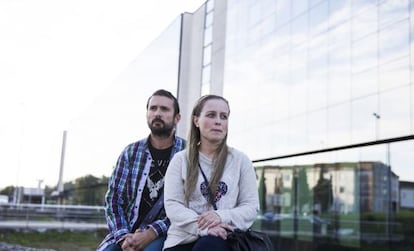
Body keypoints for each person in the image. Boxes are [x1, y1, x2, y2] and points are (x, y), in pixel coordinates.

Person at [163, 94, 259, 251]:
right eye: (211, 115)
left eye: (224, 116)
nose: (218, 121)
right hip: (183, 237)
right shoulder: (180, 160)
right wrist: (203, 227)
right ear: (196, 121)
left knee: (207, 247)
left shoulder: (241, 161)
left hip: (224, 236)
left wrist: (221, 216)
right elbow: (173, 205)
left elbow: (250, 207)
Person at [97, 89, 186, 251]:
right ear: (147, 114)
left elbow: (189, 204)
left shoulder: (187, 154)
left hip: (165, 233)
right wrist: (123, 236)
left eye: (164, 109)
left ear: (177, 118)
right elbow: (114, 199)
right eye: (153, 108)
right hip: (126, 232)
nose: (157, 113)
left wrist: (151, 233)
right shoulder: (131, 152)